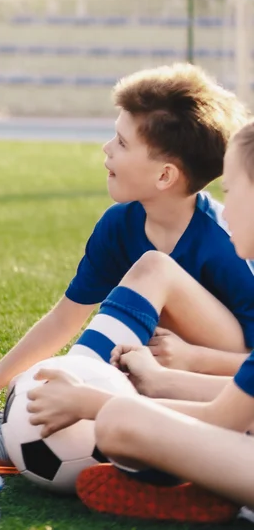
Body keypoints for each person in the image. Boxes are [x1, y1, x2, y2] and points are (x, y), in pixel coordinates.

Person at [0, 63, 253, 472]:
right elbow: (64, 319)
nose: (106, 149)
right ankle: (47, 416)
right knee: (132, 337)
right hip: (164, 379)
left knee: (155, 268)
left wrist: (194, 358)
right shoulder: (119, 225)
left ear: (165, 175)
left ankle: (37, 422)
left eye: (121, 141)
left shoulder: (228, 241)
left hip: (226, 385)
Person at [20, 120, 254, 524]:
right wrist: (163, 381)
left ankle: (211, 490)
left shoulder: (219, 246)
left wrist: (90, 402)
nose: (225, 207)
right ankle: (205, 492)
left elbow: (222, 418)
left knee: (118, 422)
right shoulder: (122, 222)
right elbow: (236, 401)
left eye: (232, 193)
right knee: (130, 415)